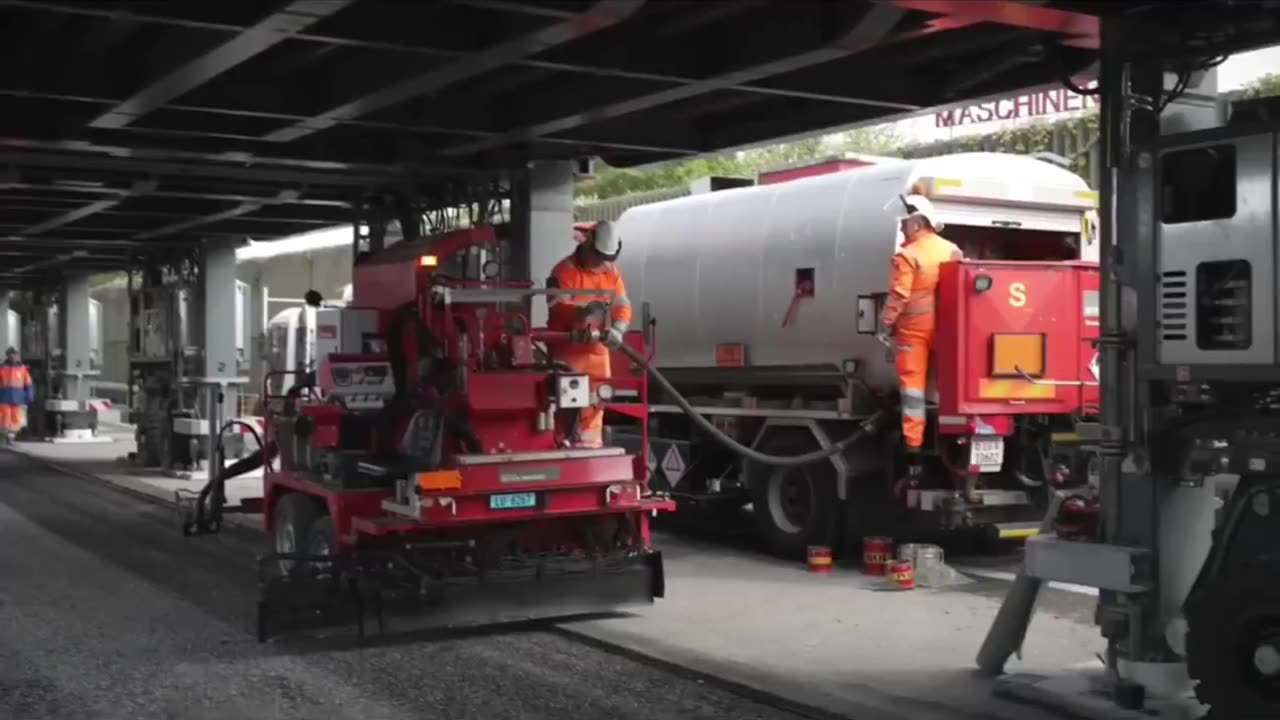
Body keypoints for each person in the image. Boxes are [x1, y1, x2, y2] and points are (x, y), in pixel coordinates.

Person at [876, 193, 963, 495]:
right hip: (947, 331)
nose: (901, 231)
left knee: (912, 393)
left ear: (916, 222)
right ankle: (954, 438)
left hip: (913, 334)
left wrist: (883, 325)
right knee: (945, 388)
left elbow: (899, 295)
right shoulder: (951, 250)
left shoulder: (908, 256)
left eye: (903, 224)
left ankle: (914, 452)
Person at [545, 220, 632, 447]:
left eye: (606, 258)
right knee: (567, 409)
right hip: (568, 354)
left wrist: (618, 329)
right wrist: (581, 313)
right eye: (598, 255)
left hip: (597, 354)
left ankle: (591, 451)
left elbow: (621, 304)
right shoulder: (563, 271)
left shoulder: (611, 272)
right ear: (587, 244)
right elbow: (556, 306)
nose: (601, 262)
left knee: (595, 406)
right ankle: (563, 446)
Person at [0, 347, 34, 444]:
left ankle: (10, 437)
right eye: (12, 354)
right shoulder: (2, 368)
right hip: (4, 397)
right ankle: (4, 437)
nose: (14, 356)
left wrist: (29, 394)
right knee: (5, 417)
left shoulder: (22, 369)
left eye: (15, 354)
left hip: (17, 398)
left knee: (15, 418)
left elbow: (28, 383)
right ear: (8, 355)